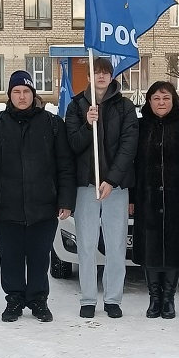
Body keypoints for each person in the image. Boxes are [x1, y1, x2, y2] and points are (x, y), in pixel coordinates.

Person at [0, 70, 76, 323]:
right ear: (9, 95)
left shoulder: (53, 124)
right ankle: (14, 300)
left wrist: (65, 200)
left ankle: (38, 300)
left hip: (43, 206)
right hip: (5, 206)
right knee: (10, 257)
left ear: (34, 94)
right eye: (16, 92)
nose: (22, 96)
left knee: (39, 257)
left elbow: (64, 165)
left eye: (26, 91)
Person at [65, 57, 138, 319]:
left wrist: (112, 180)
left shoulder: (125, 107)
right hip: (86, 186)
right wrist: (87, 124)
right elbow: (72, 143)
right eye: (97, 72)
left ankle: (112, 298)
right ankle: (87, 298)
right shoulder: (76, 106)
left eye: (106, 72)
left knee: (116, 244)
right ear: (89, 76)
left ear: (111, 76)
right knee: (86, 243)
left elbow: (129, 146)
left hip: (115, 187)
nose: (101, 76)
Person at [130, 81, 179, 319]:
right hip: (147, 198)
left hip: (178, 199)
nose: (161, 103)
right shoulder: (139, 127)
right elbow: (132, 165)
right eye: (156, 98)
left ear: (174, 100)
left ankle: (168, 298)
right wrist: (132, 196)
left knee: (174, 249)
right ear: (149, 102)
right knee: (150, 248)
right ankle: (154, 298)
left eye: (166, 98)